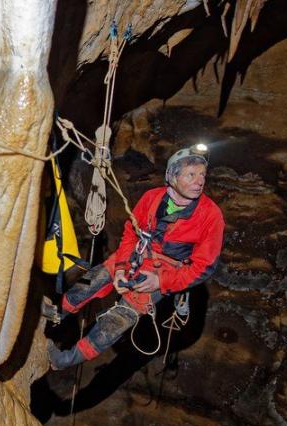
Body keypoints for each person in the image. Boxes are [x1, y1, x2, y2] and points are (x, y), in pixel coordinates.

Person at [45, 144, 225, 370]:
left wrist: (160, 282)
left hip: (163, 272)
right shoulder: (152, 198)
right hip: (135, 255)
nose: (200, 181)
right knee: (93, 279)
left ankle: (63, 360)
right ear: (172, 176)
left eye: (202, 175)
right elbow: (132, 231)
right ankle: (57, 313)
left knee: (118, 320)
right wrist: (120, 267)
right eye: (191, 175)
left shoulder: (210, 215)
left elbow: (203, 267)